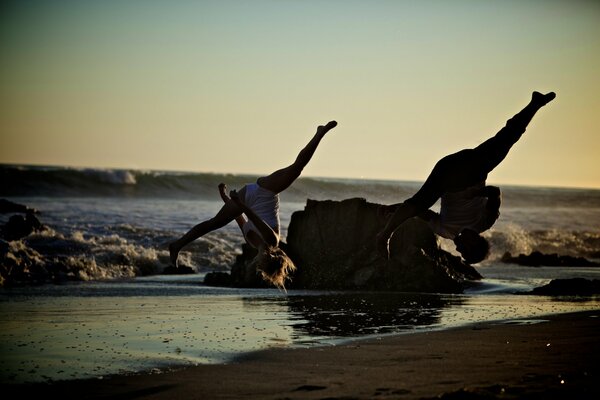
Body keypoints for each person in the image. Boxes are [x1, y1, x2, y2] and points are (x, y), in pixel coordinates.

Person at [376, 91, 556, 264]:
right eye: (464, 251)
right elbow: (495, 193)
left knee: (419, 203)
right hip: (472, 169)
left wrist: (392, 209)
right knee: (507, 138)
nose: (458, 249)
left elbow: (423, 213)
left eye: (460, 253)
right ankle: (536, 103)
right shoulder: (484, 222)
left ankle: (383, 236)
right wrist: (477, 193)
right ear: (474, 243)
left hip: (445, 177)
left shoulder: (447, 232)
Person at [169, 120, 338, 288]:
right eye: (262, 265)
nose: (258, 264)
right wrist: (237, 203)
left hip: (246, 199)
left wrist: (225, 197)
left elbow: (240, 219)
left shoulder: (252, 242)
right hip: (266, 191)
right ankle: (320, 133)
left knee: (214, 223)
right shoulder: (272, 240)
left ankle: (177, 245)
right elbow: (254, 217)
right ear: (270, 257)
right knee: (297, 168)